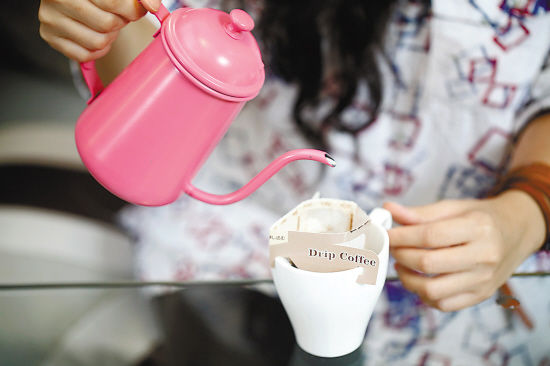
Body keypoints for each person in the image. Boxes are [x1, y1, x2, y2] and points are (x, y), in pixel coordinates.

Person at [39, 0, 550, 362]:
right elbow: (149, 65)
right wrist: (101, 21)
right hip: (233, 231)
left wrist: (526, 211)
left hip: (469, 258)